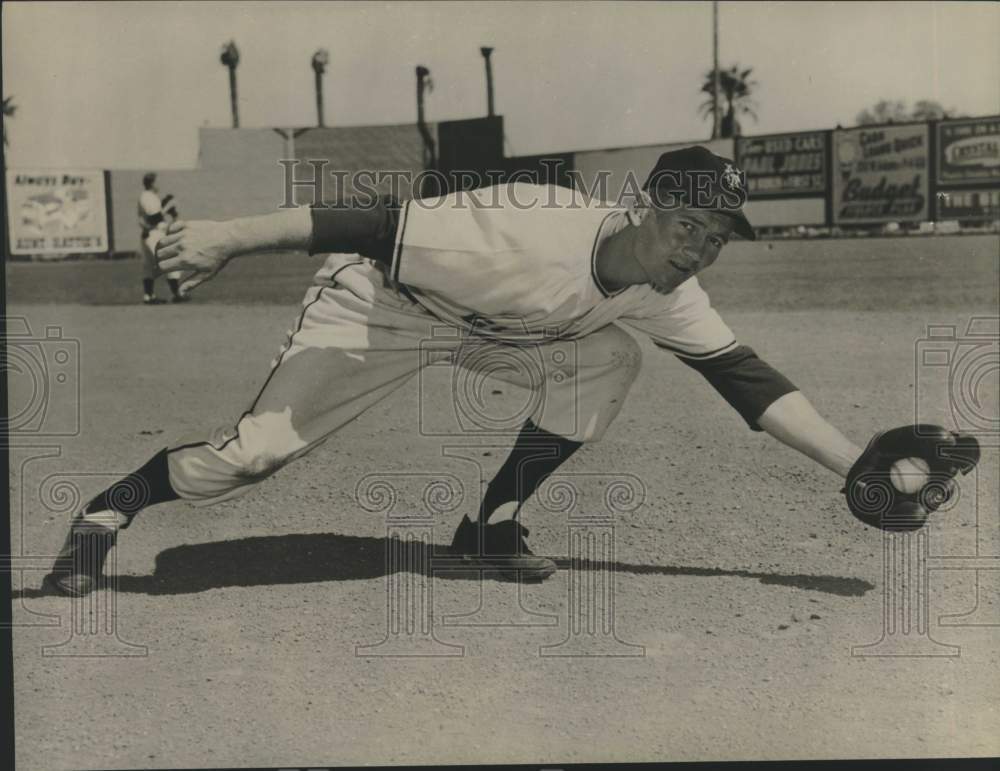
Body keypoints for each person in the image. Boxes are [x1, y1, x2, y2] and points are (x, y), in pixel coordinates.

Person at [43, 146, 978, 597]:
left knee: (612, 357)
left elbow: (748, 379)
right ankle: (108, 507)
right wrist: (226, 236)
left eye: (715, 237)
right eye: (687, 223)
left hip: (501, 333)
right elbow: (368, 220)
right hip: (385, 309)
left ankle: (488, 526)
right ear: (646, 205)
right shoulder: (525, 227)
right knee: (244, 462)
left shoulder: (665, 285)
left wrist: (857, 461)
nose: (697, 248)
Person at [138, 172, 189, 304]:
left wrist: (165, 203)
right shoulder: (147, 196)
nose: (159, 184)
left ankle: (149, 296)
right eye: (157, 181)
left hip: (151, 234)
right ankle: (177, 294)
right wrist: (168, 207)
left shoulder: (151, 197)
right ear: (152, 183)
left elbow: (157, 212)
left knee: (149, 267)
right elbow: (154, 217)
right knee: (171, 260)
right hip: (153, 233)